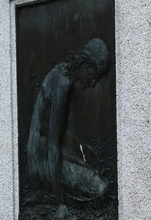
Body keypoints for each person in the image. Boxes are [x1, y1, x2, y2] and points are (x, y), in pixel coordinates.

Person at [26, 37, 110, 203]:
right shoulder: (63, 84)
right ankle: (52, 195)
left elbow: (54, 129)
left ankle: (45, 191)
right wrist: (61, 204)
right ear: (85, 65)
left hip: (38, 153)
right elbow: (53, 145)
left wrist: (81, 148)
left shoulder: (61, 73)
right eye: (93, 76)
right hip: (40, 159)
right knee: (101, 189)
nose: (92, 84)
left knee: (89, 168)